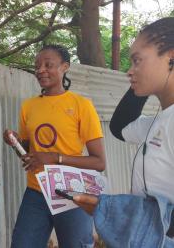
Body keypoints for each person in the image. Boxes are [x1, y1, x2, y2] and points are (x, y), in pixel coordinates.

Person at [74, 17, 174, 247]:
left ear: (171, 56)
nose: (129, 71)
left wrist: (112, 209)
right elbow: (121, 127)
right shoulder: (159, 121)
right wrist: (140, 83)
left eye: (137, 61)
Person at [3, 44, 106, 248]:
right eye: (37, 66)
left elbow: (99, 162)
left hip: (71, 192)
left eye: (48, 65)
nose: (41, 70)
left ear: (64, 67)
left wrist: (55, 157)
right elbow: (29, 153)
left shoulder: (81, 105)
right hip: (36, 191)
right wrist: (15, 143)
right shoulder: (28, 106)